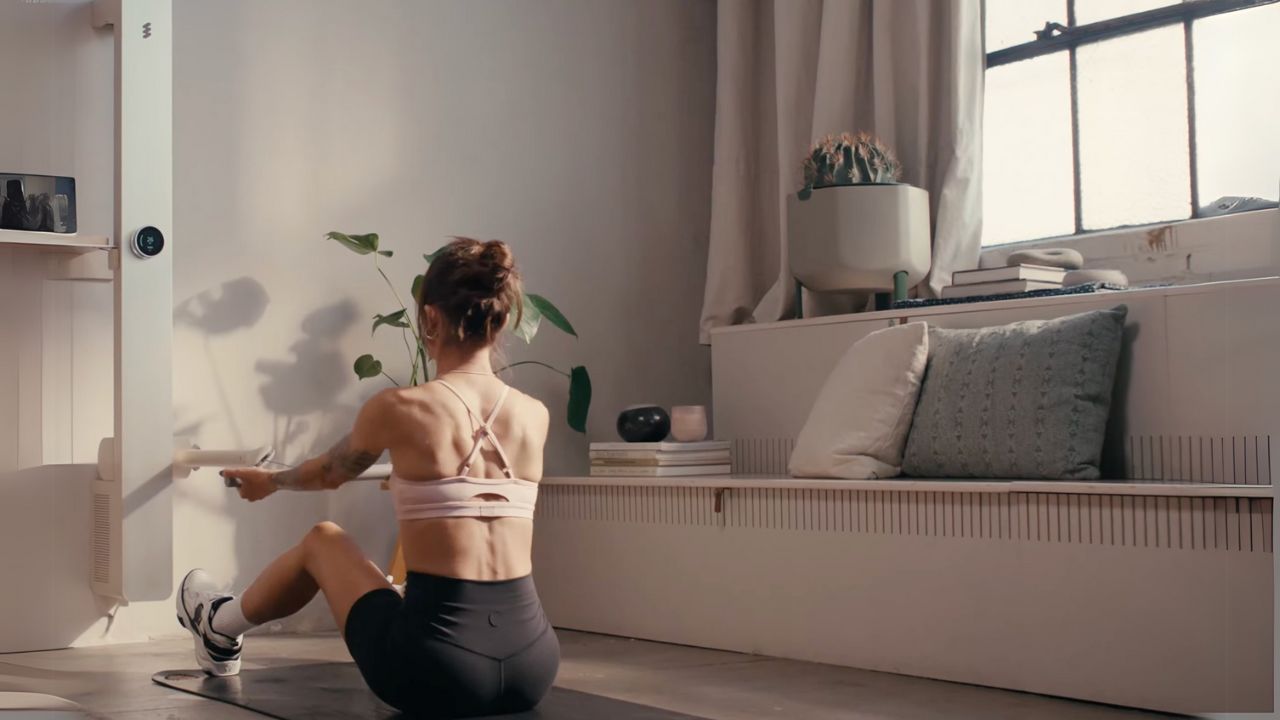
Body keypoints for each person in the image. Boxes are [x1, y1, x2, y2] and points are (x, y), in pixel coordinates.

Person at [176, 238, 559, 718]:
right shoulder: (534, 416)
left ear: (431, 319)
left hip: (437, 668)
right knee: (411, 589)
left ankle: (217, 627)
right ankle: (220, 627)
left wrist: (269, 481)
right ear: (502, 322)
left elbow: (329, 473)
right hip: (533, 666)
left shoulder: (401, 408)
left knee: (324, 539)